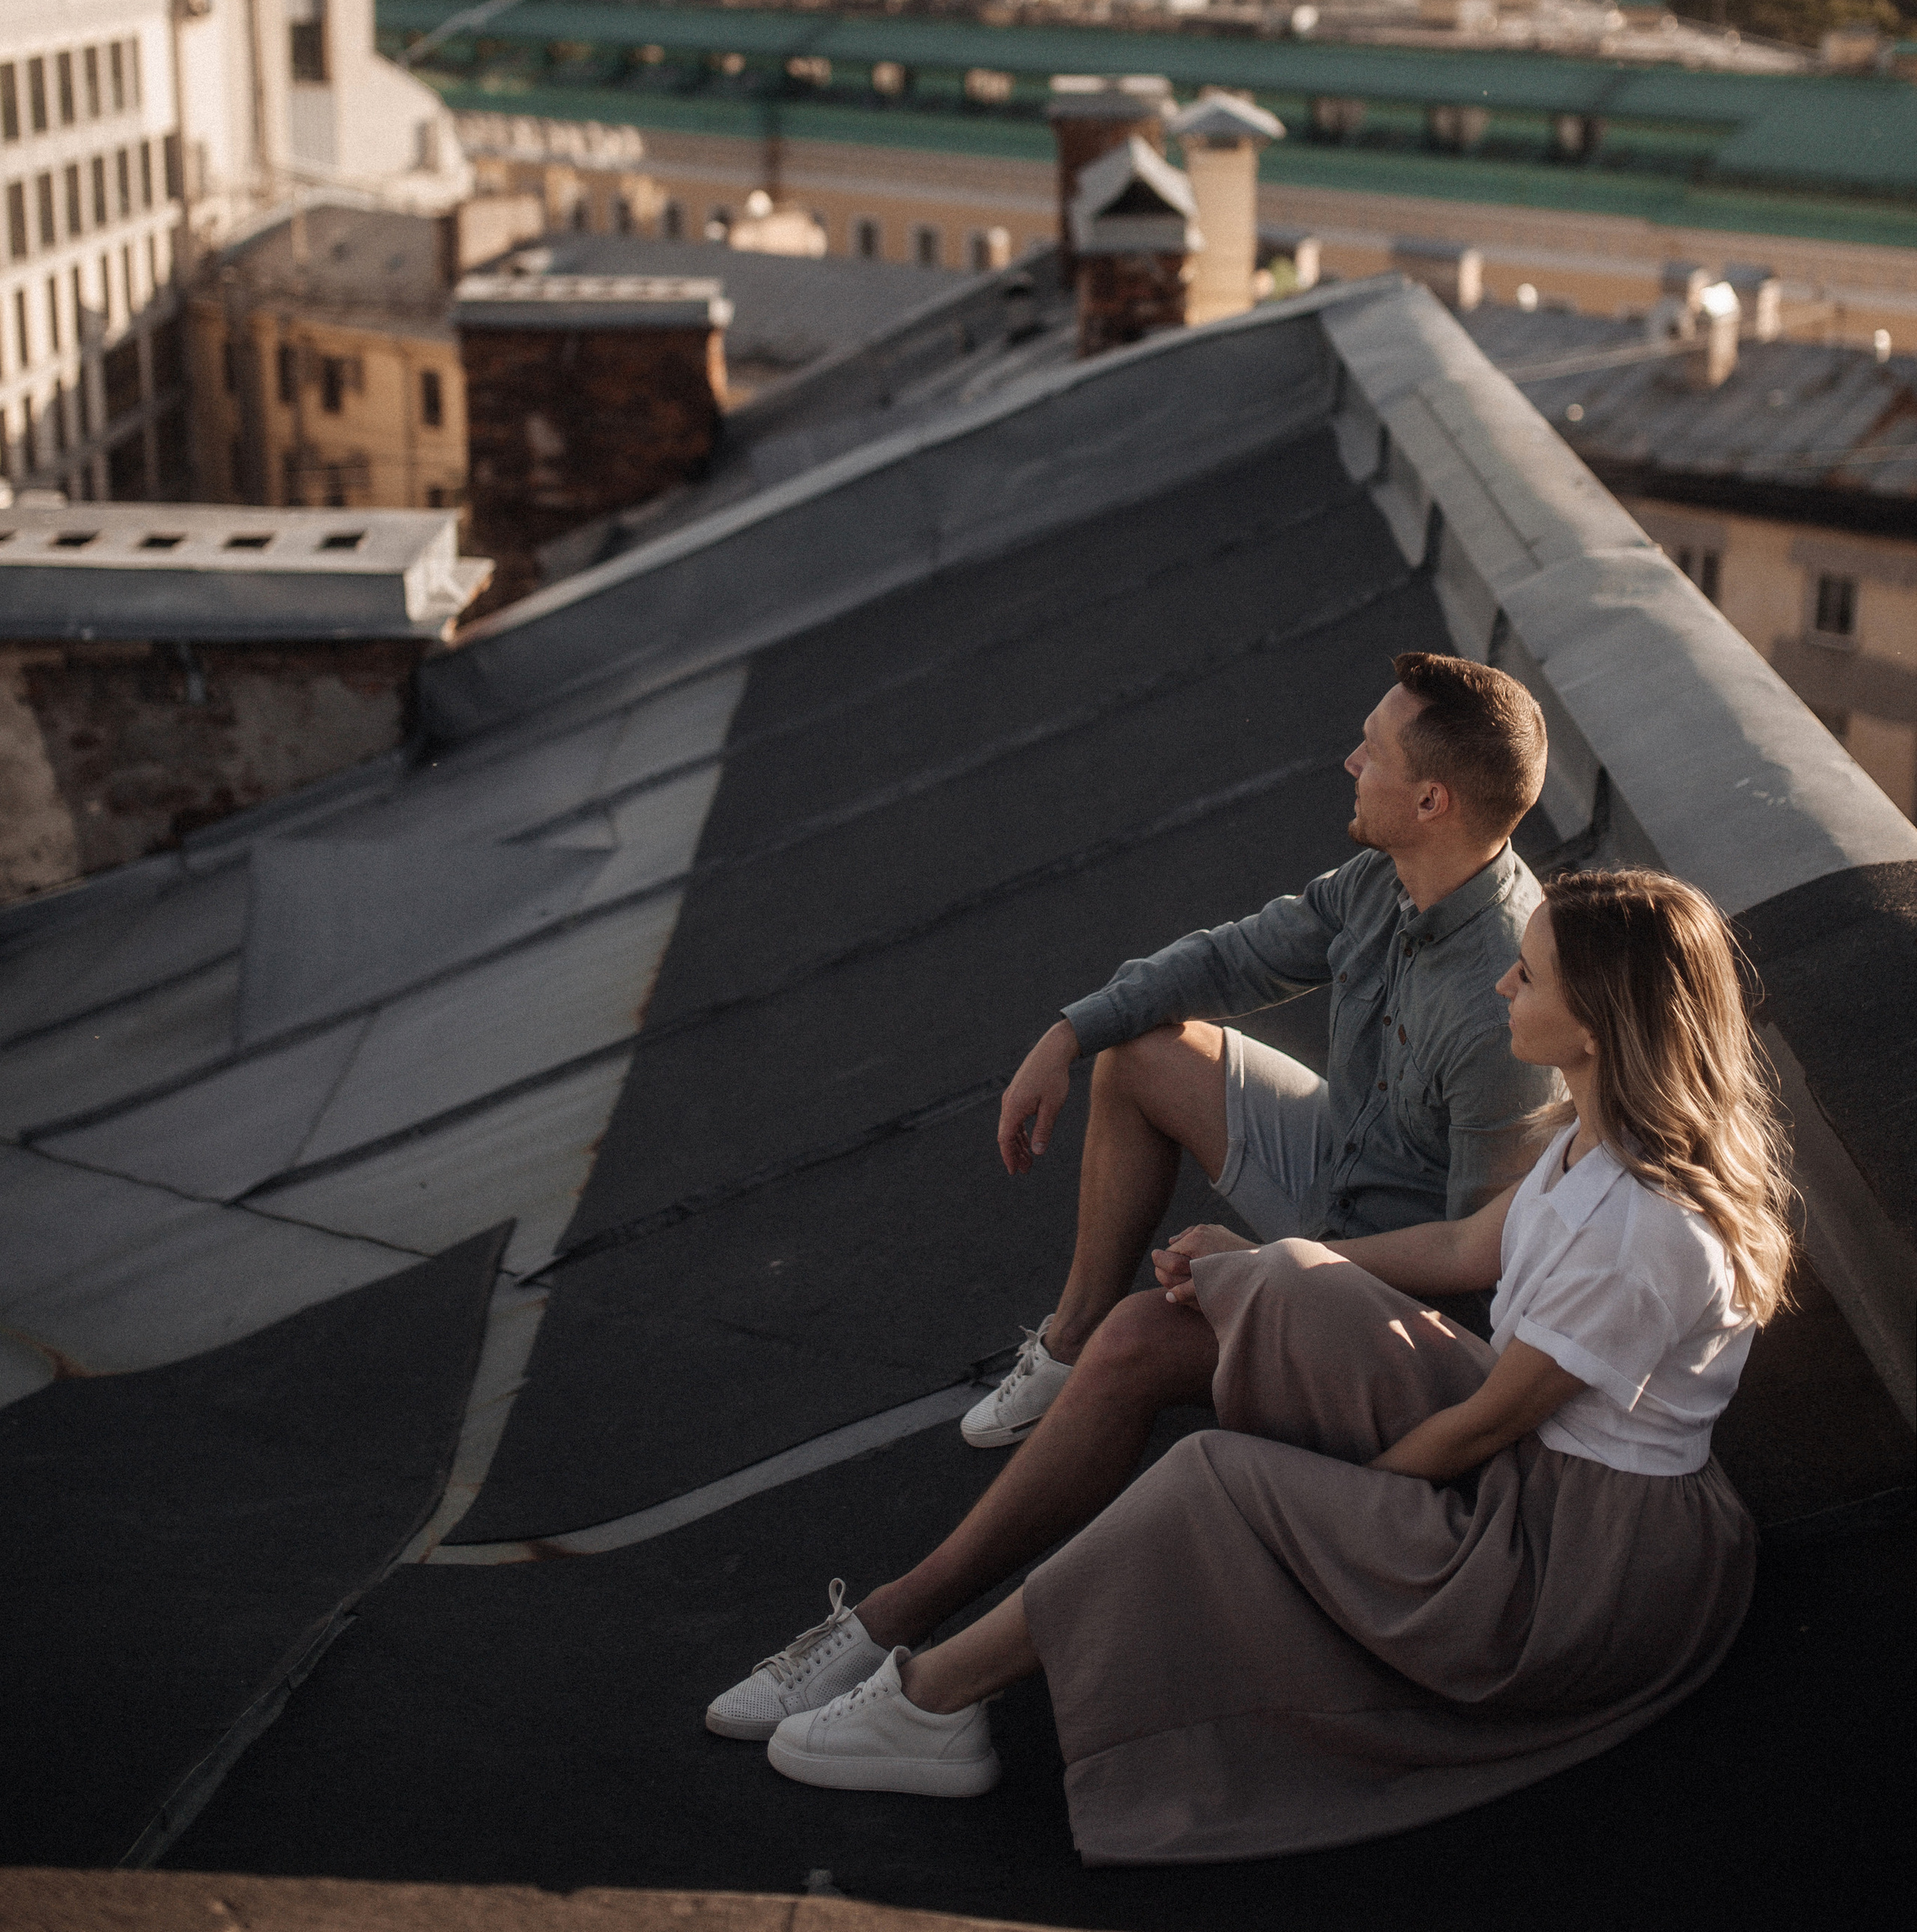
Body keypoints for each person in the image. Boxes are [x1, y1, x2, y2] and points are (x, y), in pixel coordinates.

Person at [710, 871, 1792, 1865]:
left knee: (1216, 1481)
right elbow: (1466, 1251)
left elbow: (1478, 1432)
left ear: (1599, 1025)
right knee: (1277, 1289)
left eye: (1534, 970)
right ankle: (893, 1617)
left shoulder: (1644, 1232)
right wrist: (1271, 1265)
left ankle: (937, 1703)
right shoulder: (1589, 1135)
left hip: (1579, 1568)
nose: (1508, 976)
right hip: (1541, 1467)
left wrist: (1324, 1513)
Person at [959, 648, 1556, 1450]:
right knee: (1134, 1055)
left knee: (1141, 1337)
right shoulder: (1388, 875)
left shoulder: (1500, 1006)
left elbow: (1474, 1271)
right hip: (1343, 1165)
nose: (1350, 761)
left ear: (1429, 798)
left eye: (1372, 750)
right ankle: (1068, 1345)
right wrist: (1067, 1033)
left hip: (1401, 1287)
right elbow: (1231, 959)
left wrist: (1275, 1267)